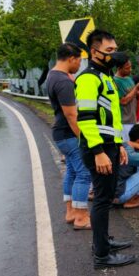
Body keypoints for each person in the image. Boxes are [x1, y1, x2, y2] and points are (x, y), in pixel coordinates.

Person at [75, 29, 135, 269]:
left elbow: (112, 117)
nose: (114, 54)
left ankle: (104, 242)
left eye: (114, 49)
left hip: (109, 145)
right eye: (109, 50)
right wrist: (99, 151)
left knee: (106, 197)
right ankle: (102, 255)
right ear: (94, 51)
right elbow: (86, 118)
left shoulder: (105, 76)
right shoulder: (89, 78)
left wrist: (118, 144)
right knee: (102, 199)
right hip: (96, 148)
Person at [46, 43, 92, 230]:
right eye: (79, 60)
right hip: (69, 133)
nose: (79, 65)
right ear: (71, 58)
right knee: (84, 172)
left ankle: (71, 212)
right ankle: (81, 217)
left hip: (61, 133)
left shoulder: (53, 75)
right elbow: (72, 115)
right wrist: (85, 139)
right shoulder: (63, 81)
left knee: (73, 171)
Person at [113, 54, 139, 140]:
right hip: (124, 121)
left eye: (130, 67)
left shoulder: (129, 79)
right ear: (119, 68)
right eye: (127, 68)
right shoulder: (115, 81)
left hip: (134, 119)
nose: (130, 70)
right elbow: (123, 101)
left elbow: (136, 95)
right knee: (127, 146)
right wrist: (136, 87)